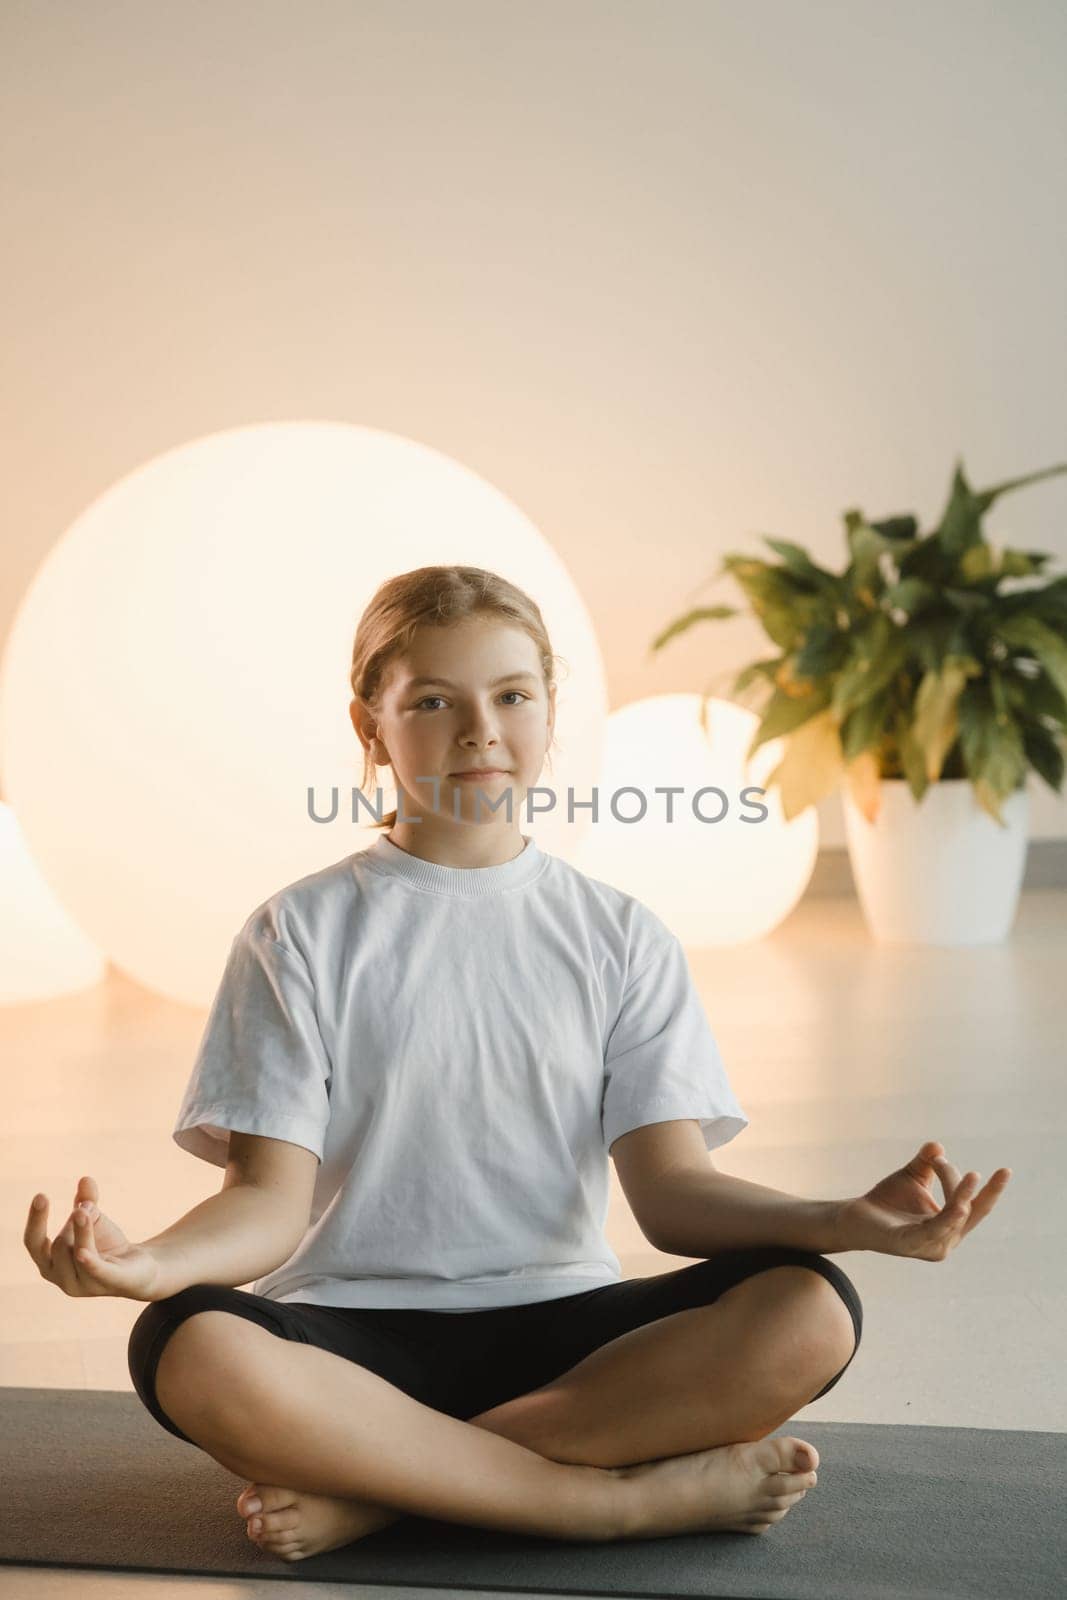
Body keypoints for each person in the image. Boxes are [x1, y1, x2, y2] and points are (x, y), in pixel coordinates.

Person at [24, 564, 1011, 1564]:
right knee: (187, 1344)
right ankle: (610, 1503)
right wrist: (144, 1265)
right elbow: (268, 1206)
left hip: (570, 1339)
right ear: (370, 726)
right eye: (432, 702)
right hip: (348, 1342)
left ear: (549, 710)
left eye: (509, 696)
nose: (478, 730)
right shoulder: (299, 931)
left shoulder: (618, 935)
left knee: (808, 1309)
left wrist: (841, 1222)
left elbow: (671, 1196)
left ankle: (385, 1494)